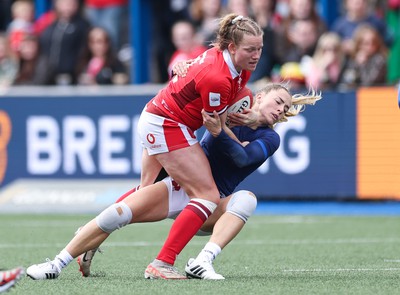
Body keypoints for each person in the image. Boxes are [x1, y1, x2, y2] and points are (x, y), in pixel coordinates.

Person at [26, 83, 321, 280]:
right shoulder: (233, 106)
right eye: (279, 101)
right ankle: (56, 264)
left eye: (285, 108)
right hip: (181, 187)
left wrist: (220, 132)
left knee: (246, 199)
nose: (282, 109)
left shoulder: (270, 137)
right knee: (118, 212)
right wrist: (182, 69)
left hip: (212, 204)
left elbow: (243, 159)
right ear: (259, 96)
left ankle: (202, 260)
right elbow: (199, 90)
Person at [339, 24, 387, 88]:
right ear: (358, 44)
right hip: (354, 95)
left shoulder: (379, 60)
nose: (370, 47)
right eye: (366, 43)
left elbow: (368, 84)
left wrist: (362, 64)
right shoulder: (353, 59)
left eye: (373, 43)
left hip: (375, 95)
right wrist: (356, 64)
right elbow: (346, 81)